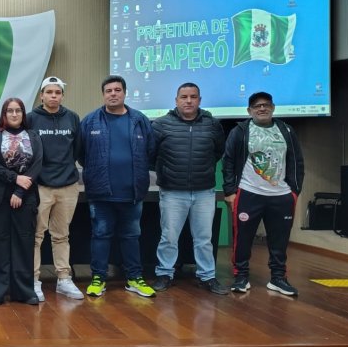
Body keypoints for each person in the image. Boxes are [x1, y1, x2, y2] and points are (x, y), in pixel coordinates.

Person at [79, 75, 156, 298]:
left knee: (131, 236)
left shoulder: (139, 120)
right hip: (101, 193)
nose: (113, 94)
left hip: (132, 193)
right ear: (103, 94)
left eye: (117, 90)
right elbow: (82, 154)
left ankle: (134, 278)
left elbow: (150, 151)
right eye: (109, 90)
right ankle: (98, 278)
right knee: (100, 235)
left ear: (124, 93)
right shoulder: (90, 121)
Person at [223, 91, 304, 296]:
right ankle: (241, 277)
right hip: (248, 193)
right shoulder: (240, 131)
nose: (262, 108)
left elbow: (297, 161)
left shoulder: (286, 130)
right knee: (243, 238)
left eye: (266, 105)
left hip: (282, 196)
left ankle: (278, 278)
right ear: (249, 110)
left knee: (280, 240)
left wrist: (294, 190)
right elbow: (229, 161)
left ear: (273, 108)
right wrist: (230, 191)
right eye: (257, 106)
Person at [150, 83, 228, 295]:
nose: (188, 101)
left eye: (193, 97)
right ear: (176, 100)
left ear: (199, 100)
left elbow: (217, 152)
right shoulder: (161, 124)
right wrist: (166, 171)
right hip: (172, 192)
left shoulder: (212, 124)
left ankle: (207, 276)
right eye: (184, 97)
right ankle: (165, 274)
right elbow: (150, 154)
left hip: (204, 191)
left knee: (204, 239)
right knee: (169, 237)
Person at [27, 76, 84, 302]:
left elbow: (77, 149)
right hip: (40, 186)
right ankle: (34, 280)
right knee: (36, 236)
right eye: (49, 92)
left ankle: (63, 279)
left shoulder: (72, 117)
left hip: (68, 186)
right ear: (41, 95)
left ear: (62, 96)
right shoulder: (31, 118)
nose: (53, 96)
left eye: (57, 92)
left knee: (62, 235)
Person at [0, 98, 42, 305]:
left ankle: (24, 292)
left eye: (18, 110)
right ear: (4, 114)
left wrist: (19, 191)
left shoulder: (33, 136)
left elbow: (37, 165)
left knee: (24, 244)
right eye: (10, 111)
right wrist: (15, 179)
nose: (14, 114)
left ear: (23, 114)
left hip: (25, 197)